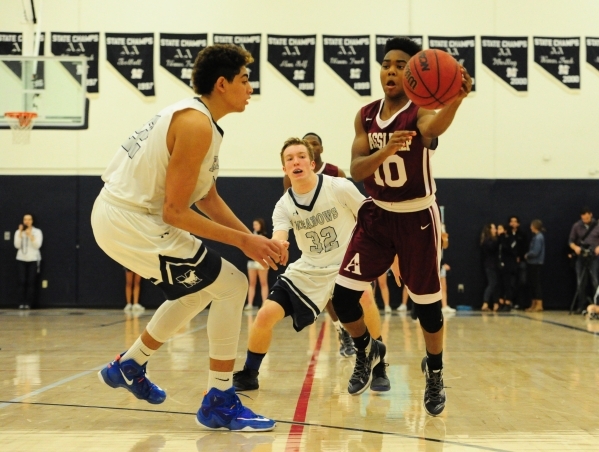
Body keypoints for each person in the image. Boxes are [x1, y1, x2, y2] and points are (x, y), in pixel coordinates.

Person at [91, 44, 288, 432]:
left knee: (199, 291)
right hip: (130, 218)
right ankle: (219, 399)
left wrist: (251, 239)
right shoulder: (195, 124)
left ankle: (130, 365)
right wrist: (245, 244)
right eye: (245, 80)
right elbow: (175, 212)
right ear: (222, 83)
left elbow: (207, 197)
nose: (251, 88)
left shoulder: (202, 121)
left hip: (128, 217)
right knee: (232, 285)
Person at [330, 37, 472, 414]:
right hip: (377, 215)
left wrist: (455, 99)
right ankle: (368, 349)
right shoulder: (365, 115)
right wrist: (387, 149)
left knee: (427, 309)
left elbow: (434, 127)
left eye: (400, 66)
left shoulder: (421, 109)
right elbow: (358, 170)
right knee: (343, 297)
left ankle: (435, 370)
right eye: (386, 64)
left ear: (413, 75)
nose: (391, 70)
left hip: (416, 218)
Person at [233, 137, 390, 393]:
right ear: (284, 169)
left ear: (312, 163)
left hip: (347, 261)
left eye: (301, 156)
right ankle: (250, 374)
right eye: (289, 159)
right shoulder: (283, 205)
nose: (296, 161)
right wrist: (279, 247)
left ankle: (378, 366)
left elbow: (370, 217)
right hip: (311, 267)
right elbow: (279, 236)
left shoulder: (338, 186)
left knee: (366, 298)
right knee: (264, 315)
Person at [282, 132, 346, 191]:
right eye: (307, 144)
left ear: (321, 149)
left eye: (315, 144)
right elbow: (287, 199)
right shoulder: (292, 174)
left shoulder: (337, 172)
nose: (311, 147)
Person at [568, 206, 599, 313]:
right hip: (581, 257)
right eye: (583, 219)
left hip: (594, 257)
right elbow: (570, 241)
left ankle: (597, 306)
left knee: (595, 281)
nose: (585, 220)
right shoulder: (576, 226)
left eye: (587, 218)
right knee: (581, 282)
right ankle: (581, 306)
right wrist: (575, 247)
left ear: (591, 215)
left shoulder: (597, 225)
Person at [14, 214, 43, 310]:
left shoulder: (37, 231)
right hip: (21, 259)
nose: (27, 221)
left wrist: (30, 235)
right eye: (25, 219)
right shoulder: (18, 232)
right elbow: (17, 245)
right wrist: (20, 234)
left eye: (29, 219)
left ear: (32, 221)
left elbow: (38, 245)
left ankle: (29, 303)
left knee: (31, 282)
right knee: (21, 281)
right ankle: (21, 302)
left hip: (33, 259)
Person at [246, 218, 270, 311]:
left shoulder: (265, 236)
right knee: (251, 283)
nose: (254, 226)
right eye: (253, 225)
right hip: (251, 262)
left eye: (256, 224)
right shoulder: (251, 236)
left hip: (262, 262)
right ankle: (250, 304)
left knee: (263, 283)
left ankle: (265, 303)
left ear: (261, 225)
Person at [507, 216, 528, 310]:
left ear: (518, 223)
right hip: (510, 262)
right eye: (512, 221)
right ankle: (511, 301)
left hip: (521, 261)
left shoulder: (522, 234)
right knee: (511, 283)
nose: (513, 223)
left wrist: (520, 256)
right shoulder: (507, 234)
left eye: (515, 222)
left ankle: (521, 303)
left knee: (522, 282)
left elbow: (525, 247)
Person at [525, 220, 545, 312]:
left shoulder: (538, 238)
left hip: (536, 263)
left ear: (535, 227)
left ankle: (539, 304)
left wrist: (527, 255)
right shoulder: (536, 237)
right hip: (532, 263)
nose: (530, 228)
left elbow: (536, 251)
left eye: (531, 226)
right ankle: (533, 303)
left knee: (536, 284)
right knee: (532, 284)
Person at [496, 224, 518, 312]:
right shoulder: (499, 240)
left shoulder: (510, 239)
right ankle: (501, 302)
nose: (498, 230)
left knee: (507, 284)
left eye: (500, 228)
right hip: (501, 265)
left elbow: (510, 250)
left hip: (509, 265)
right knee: (500, 284)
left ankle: (508, 302)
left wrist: (502, 237)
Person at [480, 223, 499, 312]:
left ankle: (495, 304)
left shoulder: (490, 240)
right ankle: (485, 303)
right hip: (490, 265)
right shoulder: (488, 241)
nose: (495, 230)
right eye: (494, 228)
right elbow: (493, 248)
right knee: (492, 284)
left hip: (493, 264)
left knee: (494, 284)